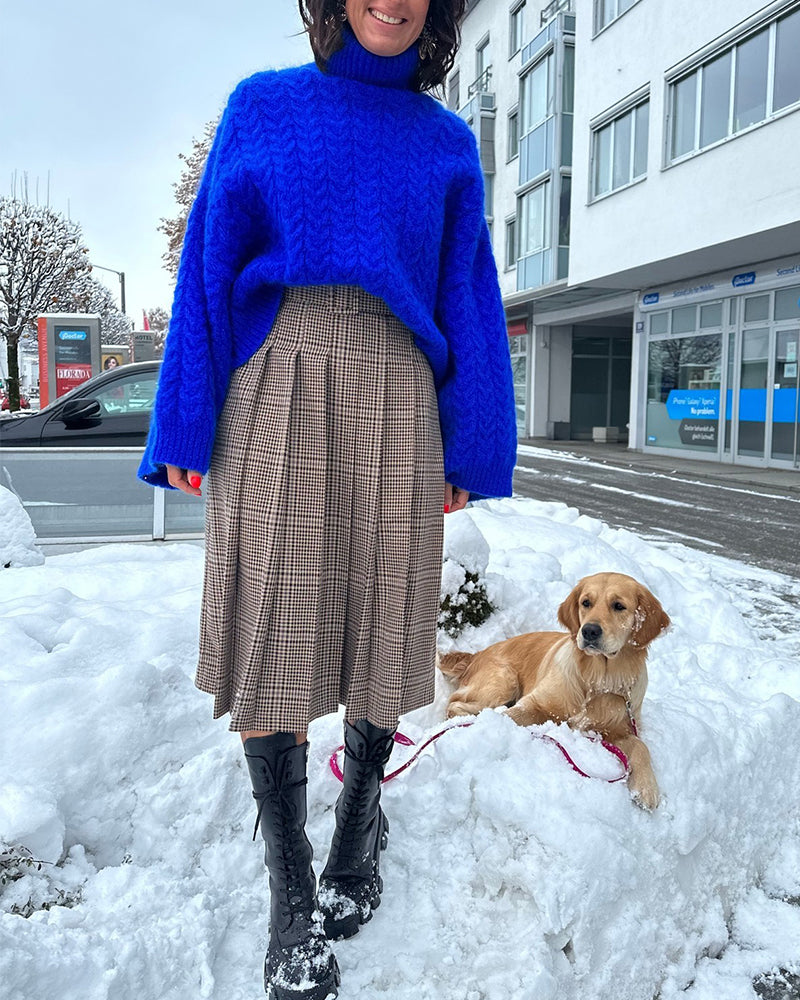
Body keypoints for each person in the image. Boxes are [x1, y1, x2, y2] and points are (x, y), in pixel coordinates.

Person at [138, 0, 517, 996]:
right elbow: (208, 265)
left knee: (386, 603)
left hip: (400, 385)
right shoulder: (261, 106)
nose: (392, 1)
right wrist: (183, 419)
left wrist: (470, 442)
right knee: (276, 614)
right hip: (275, 376)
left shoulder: (444, 142)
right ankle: (290, 889)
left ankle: (355, 828)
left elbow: (466, 293)